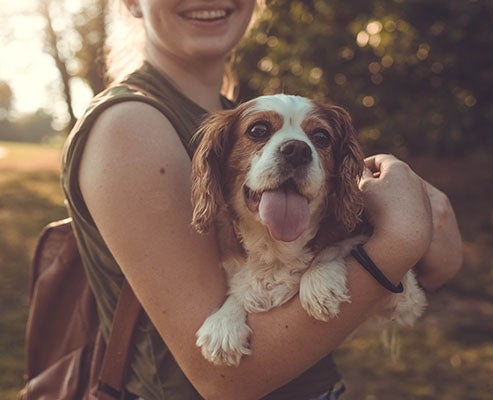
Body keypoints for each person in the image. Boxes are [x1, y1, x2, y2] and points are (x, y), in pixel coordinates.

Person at [61, 1, 462, 399]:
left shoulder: (238, 112)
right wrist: (400, 241)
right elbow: (220, 378)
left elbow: (435, 270)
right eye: (258, 132)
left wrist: (427, 235)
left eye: (317, 138)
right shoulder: (130, 125)